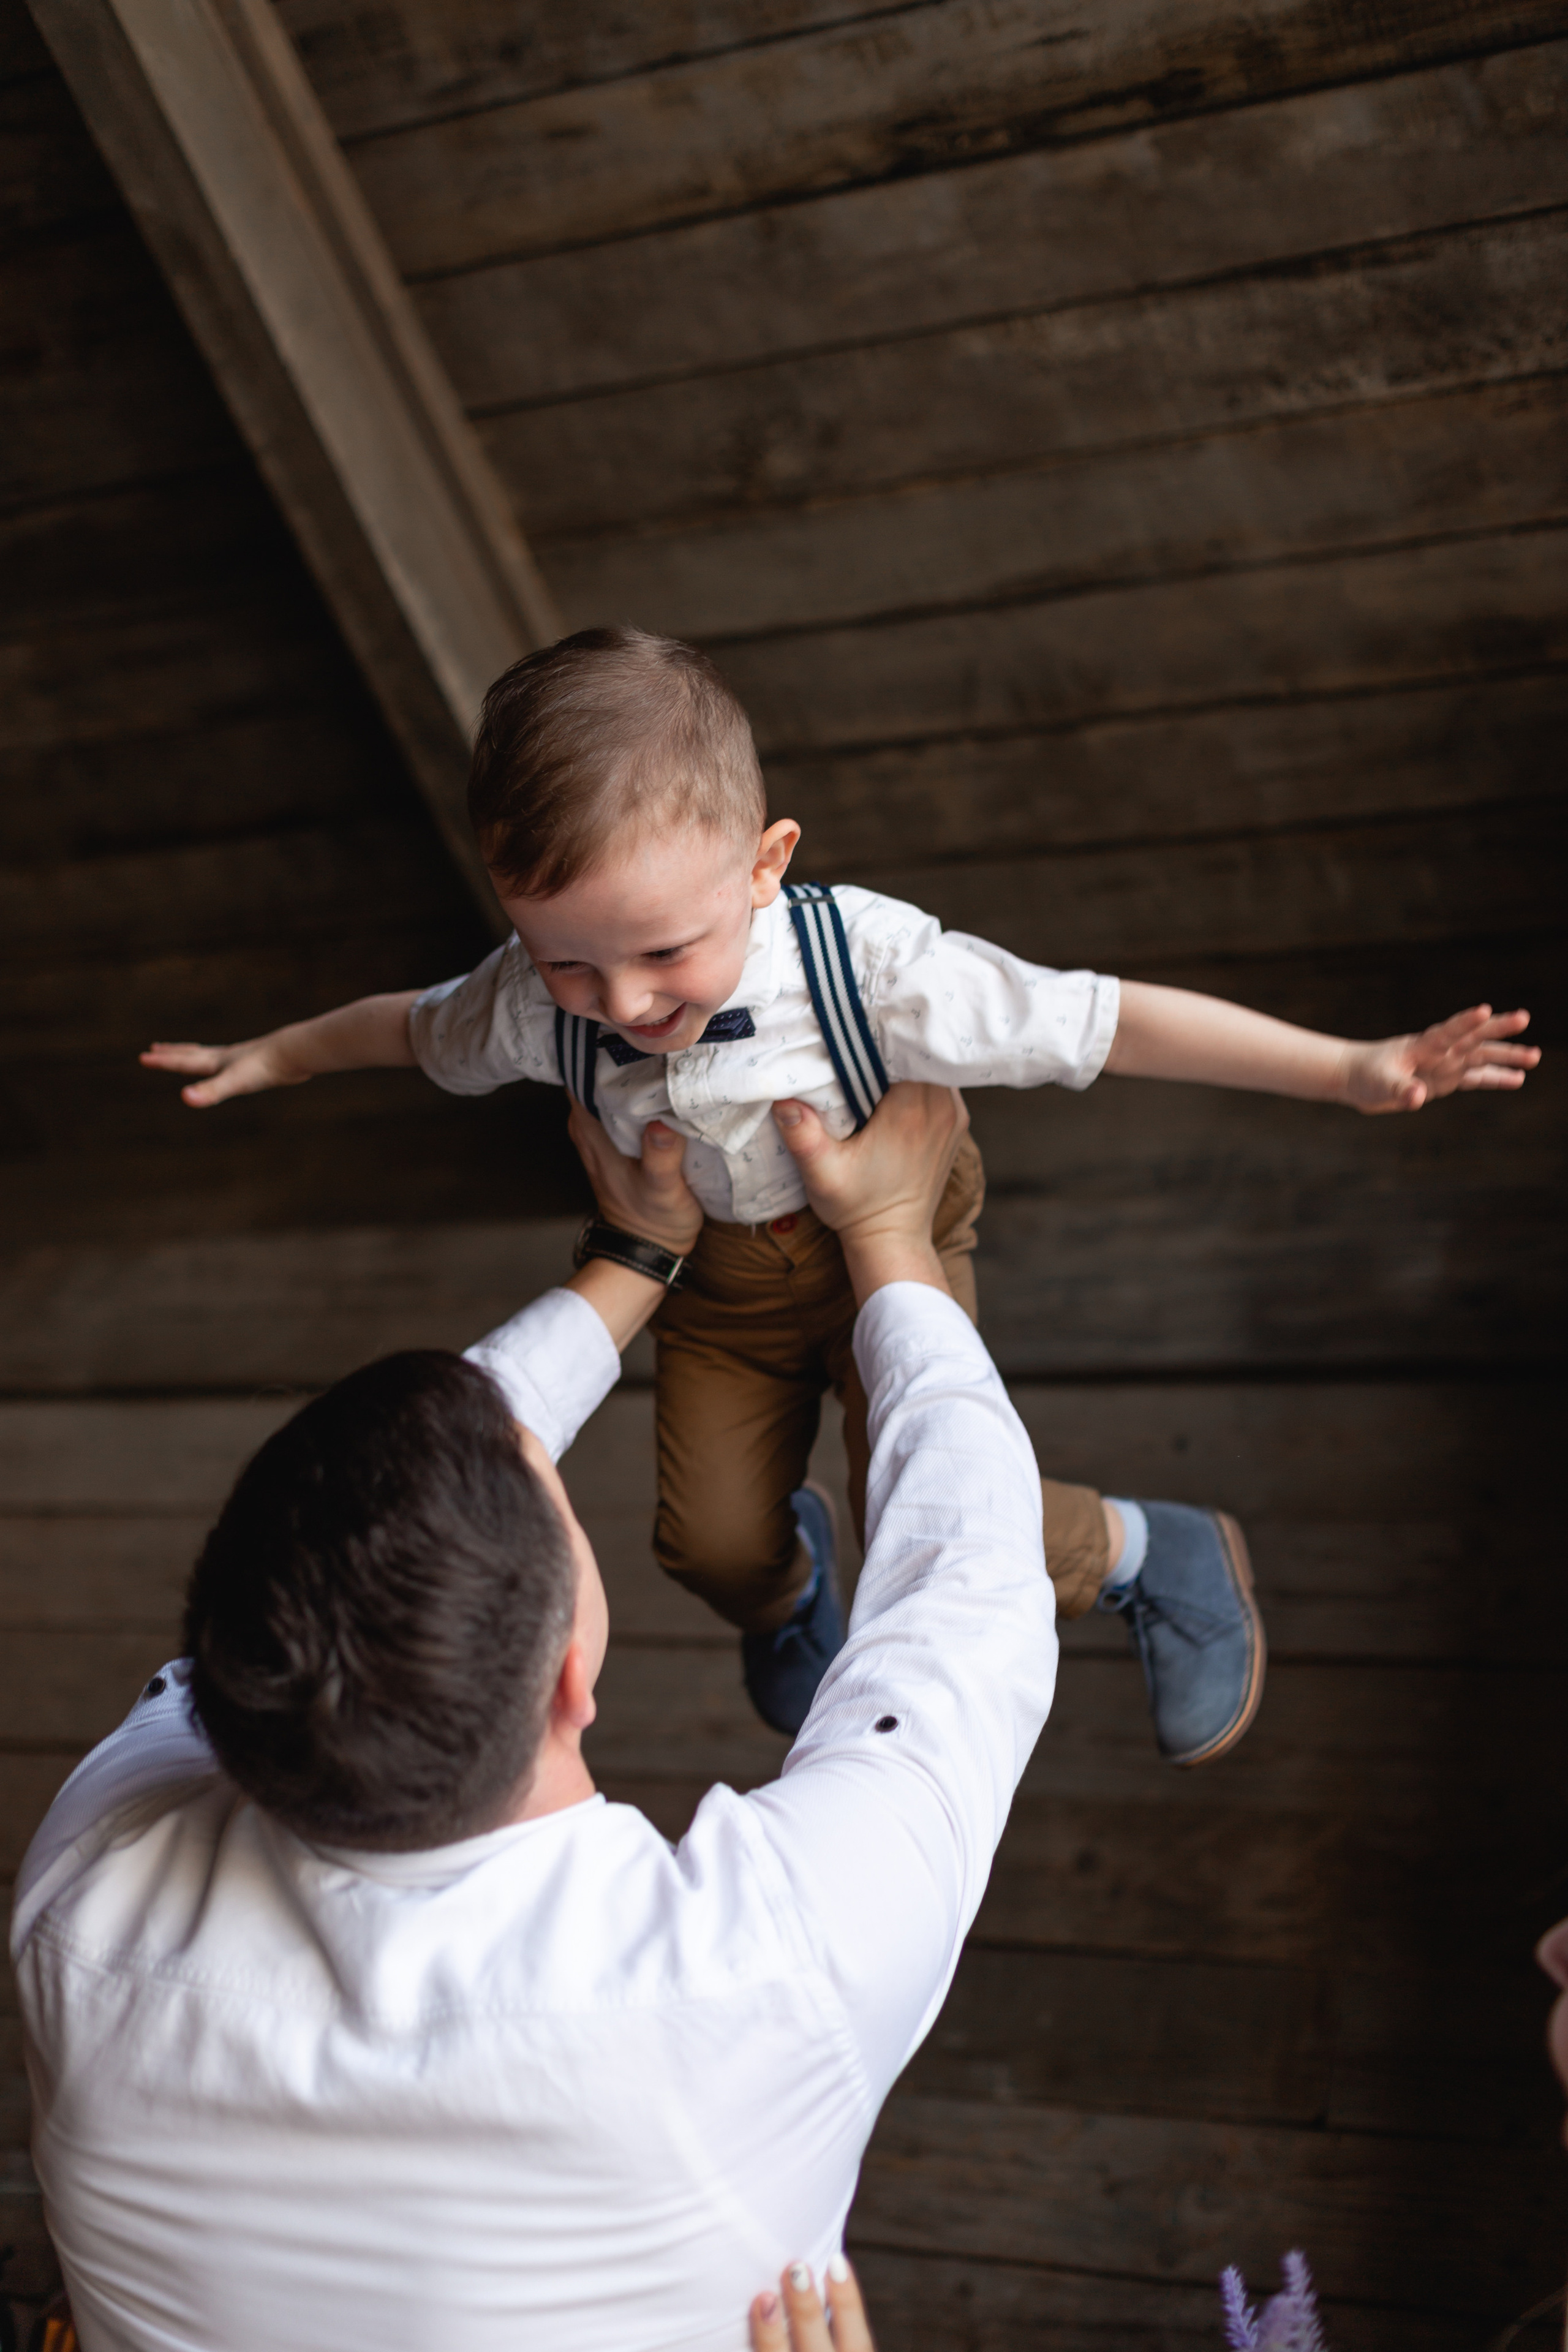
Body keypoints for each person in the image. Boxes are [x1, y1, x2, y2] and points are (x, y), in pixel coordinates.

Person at [140, 629, 1538, 1760]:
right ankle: (789, 1589)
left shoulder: (865, 968)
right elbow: (410, 1023)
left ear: (766, 862)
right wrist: (274, 1053)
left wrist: (1350, 1066)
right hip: (714, 1274)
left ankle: (1142, 1549)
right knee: (708, 1540)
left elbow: (1103, 1022)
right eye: (567, 962)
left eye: (664, 954)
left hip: (890, 1237)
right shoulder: (532, 1000)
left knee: (920, 1511)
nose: (620, 1007)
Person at [13, 1083, 1056, 2351]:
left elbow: (367, 1503)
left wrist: (629, 1262)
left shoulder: (87, 1884)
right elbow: (968, 1593)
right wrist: (891, 1235)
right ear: (574, 1673)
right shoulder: (760, 1979)